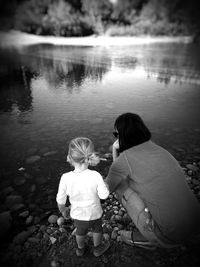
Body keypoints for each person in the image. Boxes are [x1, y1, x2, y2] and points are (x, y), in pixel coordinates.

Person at [105, 112, 200, 249]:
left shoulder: (124, 159)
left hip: (171, 236)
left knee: (121, 186)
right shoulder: (161, 151)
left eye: (116, 134)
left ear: (122, 136)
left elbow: (108, 188)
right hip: (196, 223)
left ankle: (148, 237)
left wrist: (115, 151)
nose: (116, 138)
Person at [56, 137, 110, 257]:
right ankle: (97, 248)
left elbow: (60, 199)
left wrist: (63, 210)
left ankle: (80, 249)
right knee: (98, 230)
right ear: (89, 158)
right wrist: (105, 184)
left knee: (80, 232)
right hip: (95, 213)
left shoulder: (65, 177)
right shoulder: (95, 176)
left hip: (78, 215)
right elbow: (104, 195)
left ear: (69, 158)